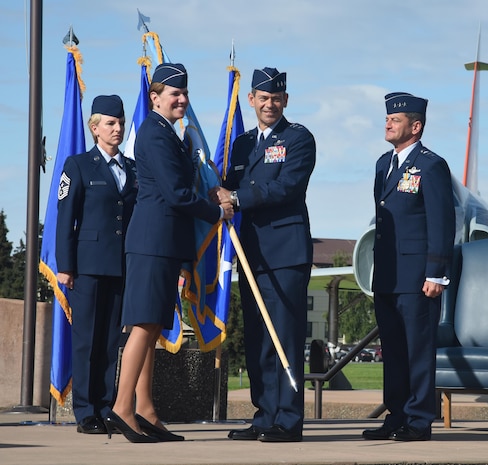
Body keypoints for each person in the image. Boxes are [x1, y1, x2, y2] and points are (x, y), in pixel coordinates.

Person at [106, 63, 235, 443]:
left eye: (184, 93)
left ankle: (144, 409)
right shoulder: (155, 134)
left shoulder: (169, 135)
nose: (181, 99)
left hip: (164, 244)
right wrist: (216, 212)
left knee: (153, 327)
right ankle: (121, 408)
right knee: (143, 325)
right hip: (151, 242)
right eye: (173, 94)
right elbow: (176, 194)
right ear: (155, 98)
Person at [210, 67, 316, 443]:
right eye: (262, 97)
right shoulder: (241, 145)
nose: (269, 104)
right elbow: (225, 187)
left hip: (285, 255)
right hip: (251, 254)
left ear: (285, 101)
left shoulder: (299, 139)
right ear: (251, 100)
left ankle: (288, 420)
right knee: (258, 339)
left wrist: (236, 197)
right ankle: (265, 414)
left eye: (276, 98)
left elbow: (285, 187)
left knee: (283, 336)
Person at [362, 92, 455, 442]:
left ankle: (418, 420)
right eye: (387, 118)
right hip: (387, 274)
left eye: (396, 119)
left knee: (418, 351)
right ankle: (396, 415)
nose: (388, 123)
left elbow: (442, 222)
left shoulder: (431, 165)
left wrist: (436, 273)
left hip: (418, 277)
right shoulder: (382, 164)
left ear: (415, 126)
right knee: (395, 353)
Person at [55, 95, 136, 435]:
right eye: (110, 123)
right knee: (87, 340)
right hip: (86, 267)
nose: (117, 129)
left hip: (121, 267)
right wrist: (65, 266)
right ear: (94, 128)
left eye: (120, 123)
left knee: (109, 343)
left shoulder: (132, 169)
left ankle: (106, 408)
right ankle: (86, 411)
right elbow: (65, 219)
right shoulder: (78, 166)